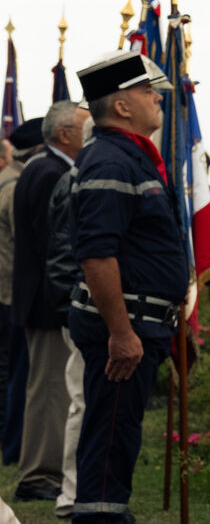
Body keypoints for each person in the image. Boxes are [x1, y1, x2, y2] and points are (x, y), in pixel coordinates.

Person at [69, 51, 185, 524]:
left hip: (141, 323)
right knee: (110, 435)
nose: (157, 98)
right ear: (121, 105)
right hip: (124, 326)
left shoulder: (130, 157)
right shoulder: (111, 161)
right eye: (146, 91)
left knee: (118, 433)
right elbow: (97, 254)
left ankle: (106, 513)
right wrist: (120, 332)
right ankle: (100, 518)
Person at [11, 100, 88, 504]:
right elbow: (53, 243)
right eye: (84, 128)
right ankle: (39, 474)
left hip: (41, 296)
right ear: (64, 135)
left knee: (51, 386)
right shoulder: (50, 173)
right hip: (46, 300)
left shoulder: (42, 167)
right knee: (50, 389)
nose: (90, 134)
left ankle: (42, 471)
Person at [49, 116, 95, 519]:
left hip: (81, 304)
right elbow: (66, 255)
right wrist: (72, 307)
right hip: (79, 307)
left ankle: (85, 489)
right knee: (81, 400)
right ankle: (72, 493)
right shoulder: (77, 180)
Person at [0, 119, 42, 467]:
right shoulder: (15, 185)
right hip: (11, 292)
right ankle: (8, 438)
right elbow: (25, 241)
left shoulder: (9, 180)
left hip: (8, 290)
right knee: (12, 370)